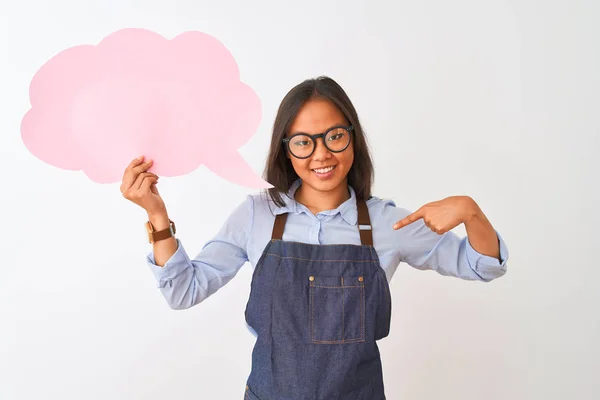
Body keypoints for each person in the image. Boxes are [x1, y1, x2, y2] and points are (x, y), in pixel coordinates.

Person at [120, 76, 508, 400]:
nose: (321, 154)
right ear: (286, 150)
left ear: (352, 138)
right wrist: (157, 216)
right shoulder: (256, 215)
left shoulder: (388, 223)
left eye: (334, 136)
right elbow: (183, 291)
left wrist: (470, 211)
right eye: (304, 141)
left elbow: (483, 265)